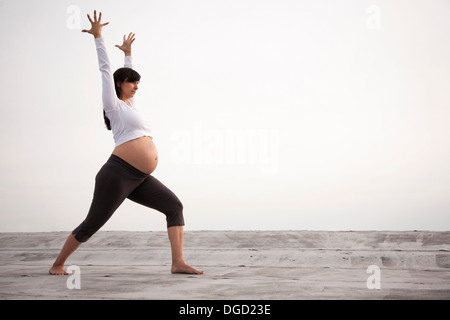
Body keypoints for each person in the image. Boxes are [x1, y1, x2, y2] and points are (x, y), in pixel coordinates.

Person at [49, 10, 203, 275]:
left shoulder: (131, 108)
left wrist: (128, 54)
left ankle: (177, 263)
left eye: (138, 83)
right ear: (120, 84)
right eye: (132, 82)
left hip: (140, 177)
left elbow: (125, 75)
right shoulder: (113, 106)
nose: (136, 87)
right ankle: (58, 264)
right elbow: (106, 70)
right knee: (93, 223)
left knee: (173, 206)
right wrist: (99, 37)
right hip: (118, 174)